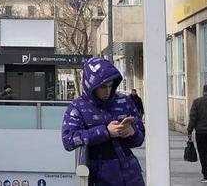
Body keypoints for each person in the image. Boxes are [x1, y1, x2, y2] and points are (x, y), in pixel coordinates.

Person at [60, 57, 145, 186]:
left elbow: (139, 139)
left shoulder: (124, 102)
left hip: (131, 175)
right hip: (99, 178)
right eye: (103, 87)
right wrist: (106, 132)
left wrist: (131, 131)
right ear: (91, 86)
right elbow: (69, 140)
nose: (108, 91)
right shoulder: (77, 107)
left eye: (111, 85)